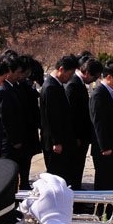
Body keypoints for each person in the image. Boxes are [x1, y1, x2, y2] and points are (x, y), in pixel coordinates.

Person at [65, 57, 103, 190]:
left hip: (82, 137)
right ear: (87, 72)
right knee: (74, 169)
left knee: (78, 168)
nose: (94, 80)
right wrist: (76, 137)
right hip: (77, 138)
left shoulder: (79, 84)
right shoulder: (73, 85)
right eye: (94, 77)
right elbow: (71, 115)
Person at [40, 54, 78, 184]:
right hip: (55, 143)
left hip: (61, 140)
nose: (70, 77)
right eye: (70, 73)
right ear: (61, 69)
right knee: (56, 178)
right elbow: (52, 117)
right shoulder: (51, 87)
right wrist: (56, 141)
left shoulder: (57, 85)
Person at [90, 58, 113, 190]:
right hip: (105, 150)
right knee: (105, 182)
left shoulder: (111, 93)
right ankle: (102, 210)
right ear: (110, 77)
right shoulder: (99, 94)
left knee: (112, 182)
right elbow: (98, 122)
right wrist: (105, 147)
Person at [13, 55, 42, 190]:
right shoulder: (15, 88)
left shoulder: (24, 86)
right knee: (20, 165)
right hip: (22, 133)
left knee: (26, 163)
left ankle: (23, 184)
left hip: (28, 132)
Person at [0, 54, 27, 174]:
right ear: (9, 72)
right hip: (7, 144)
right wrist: (15, 140)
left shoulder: (12, 87)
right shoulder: (3, 90)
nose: (19, 75)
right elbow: (5, 118)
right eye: (17, 72)